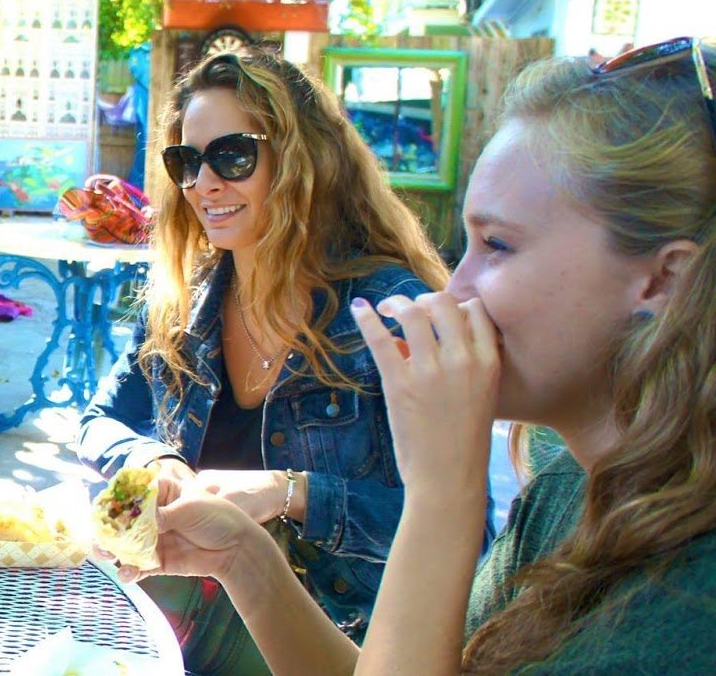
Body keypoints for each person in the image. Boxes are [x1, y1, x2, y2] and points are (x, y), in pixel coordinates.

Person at [115, 38, 716, 673]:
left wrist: (441, 493)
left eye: (499, 245)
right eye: (187, 161)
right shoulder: (569, 489)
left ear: (664, 280)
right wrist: (243, 557)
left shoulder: (686, 607)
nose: (453, 292)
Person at [77, 50, 472, 673]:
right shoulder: (188, 301)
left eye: (232, 155)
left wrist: (291, 494)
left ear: (300, 159)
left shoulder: (389, 313)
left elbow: (460, 537)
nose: (204, 183)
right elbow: (99, 419)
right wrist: (154, 458)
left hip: (343, 643)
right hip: (186, 617)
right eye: (186, 161)